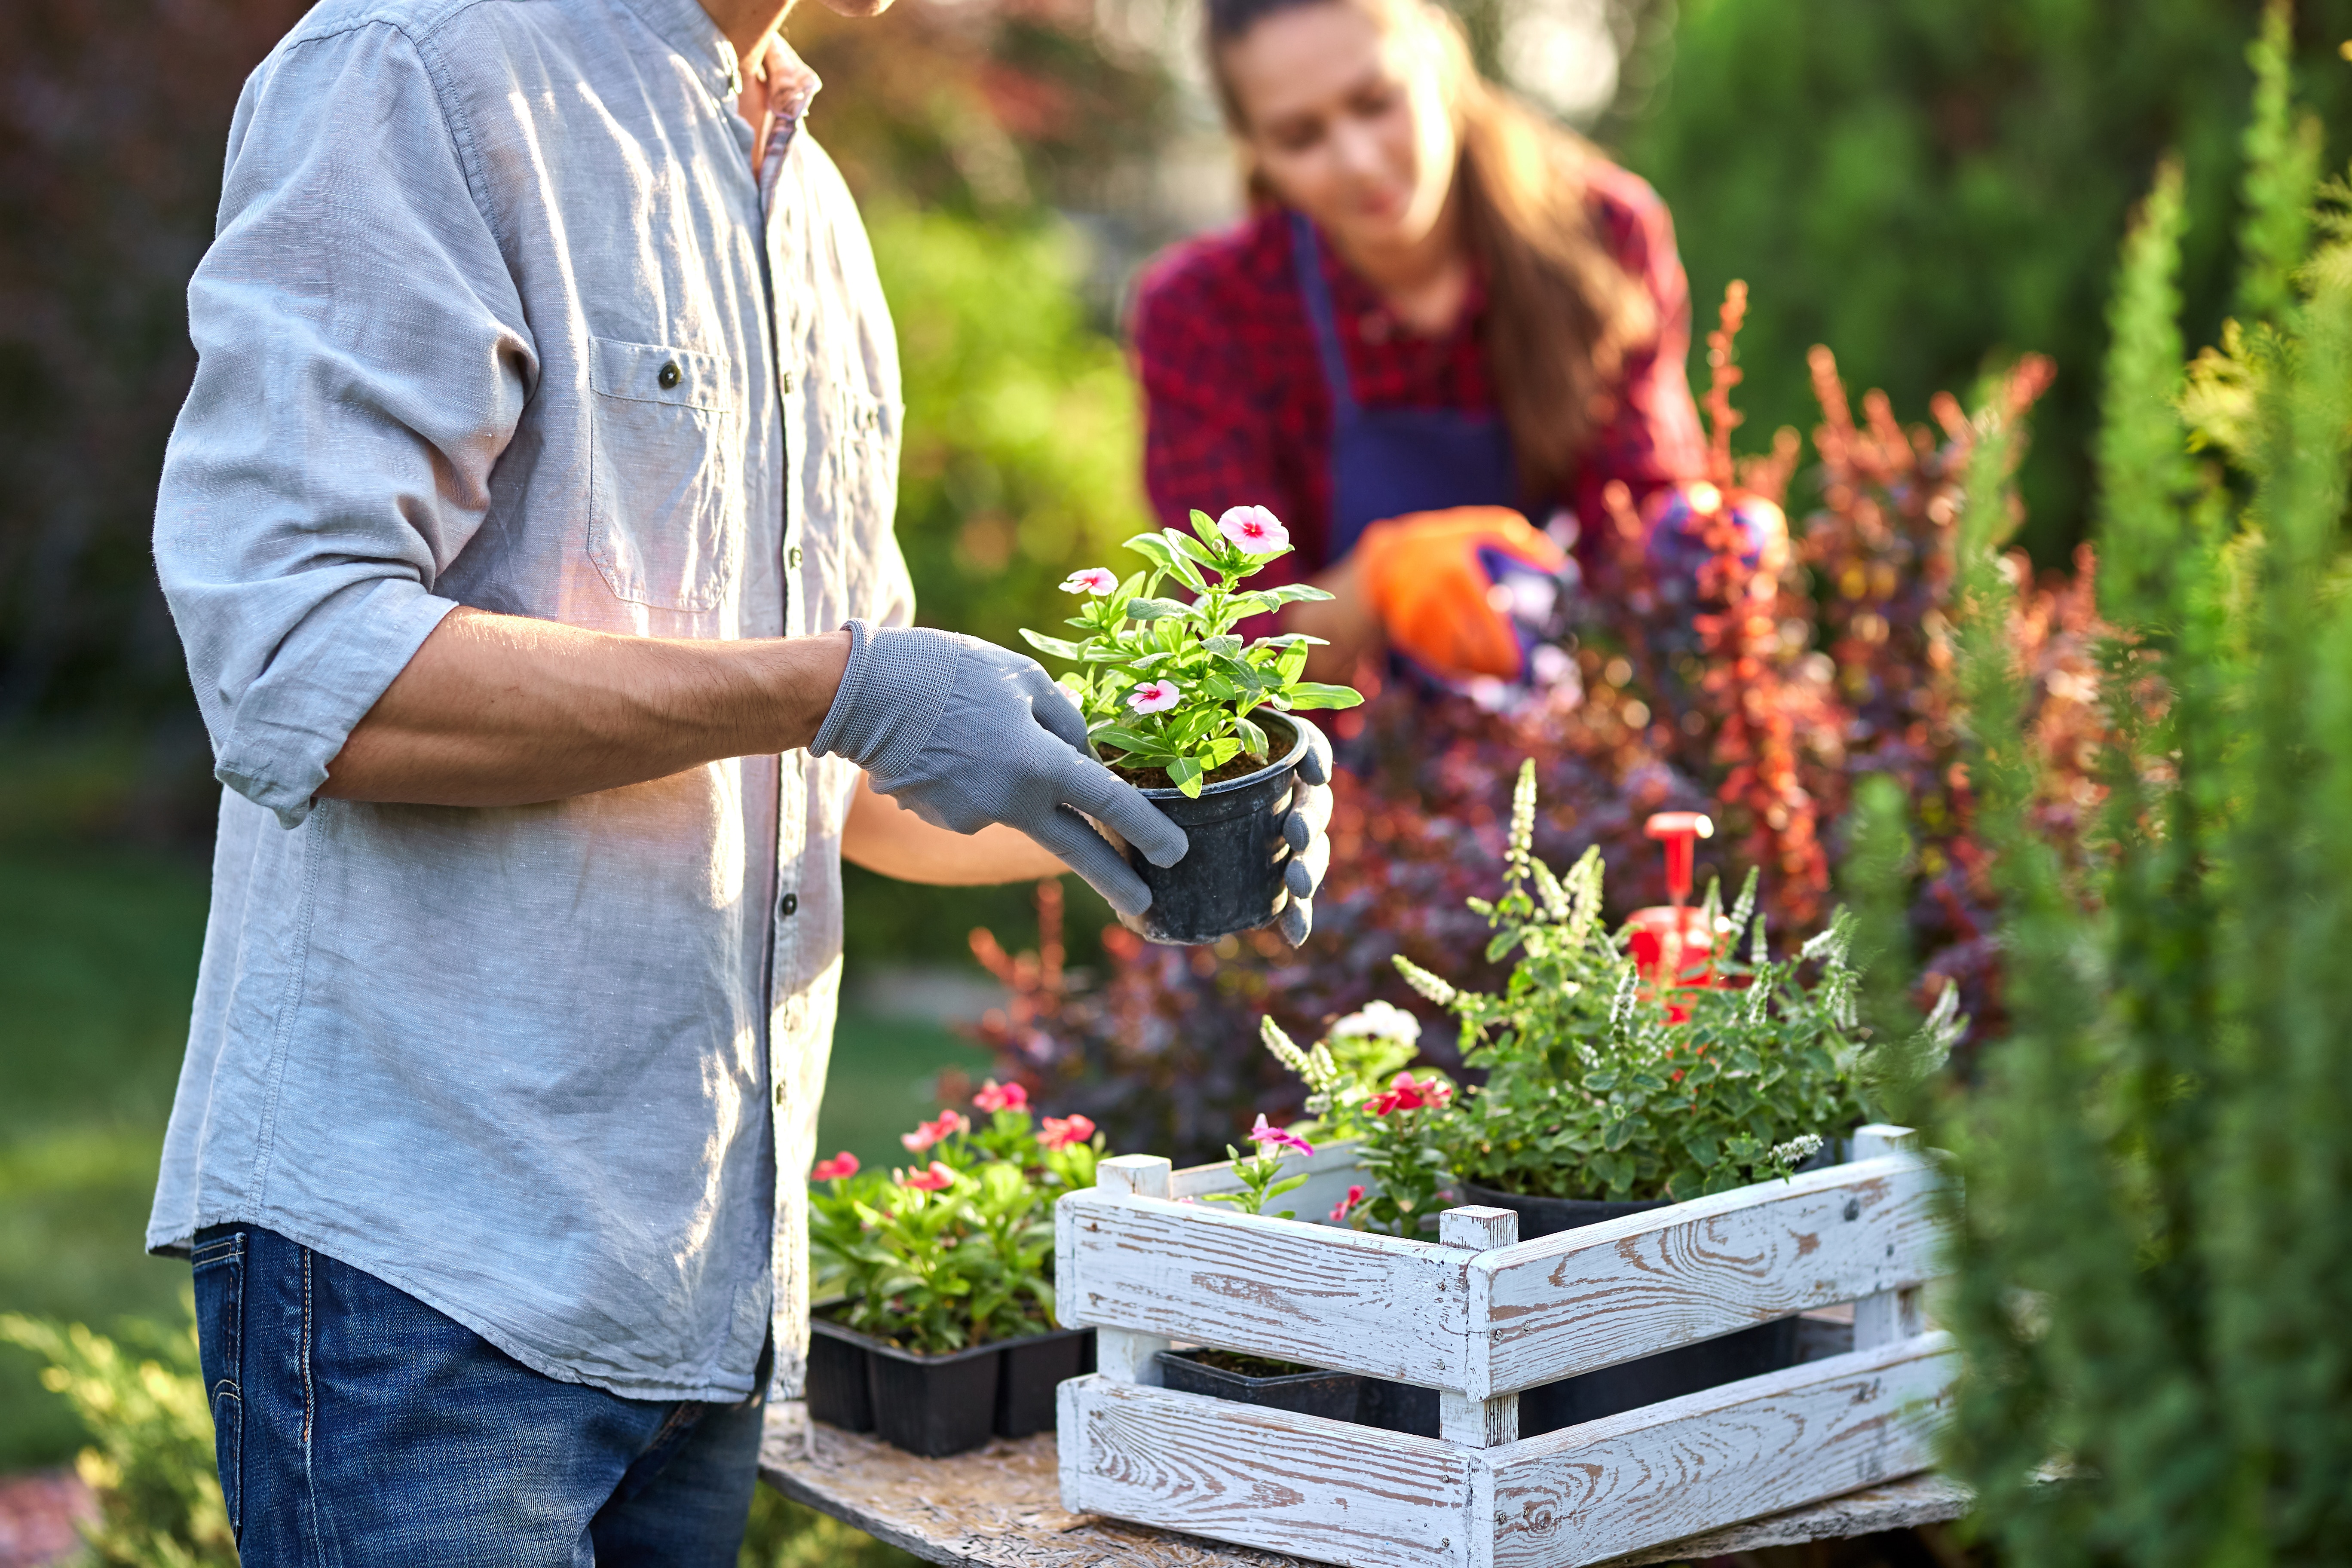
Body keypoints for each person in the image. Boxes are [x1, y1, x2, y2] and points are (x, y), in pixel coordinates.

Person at [143, 0, 1332, 1556]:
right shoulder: (416, 72)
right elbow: (301, 659)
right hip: (425, 1278)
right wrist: (837, 684)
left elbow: (832, 780)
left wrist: (1134, 810)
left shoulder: (806, 199)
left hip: (698, 1296)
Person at [1131, 0, 1748, 694]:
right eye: (1301, 137)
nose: (1359, 162)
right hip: (1338, 768)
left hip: (1565, 725)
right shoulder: (1205, 314)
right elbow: (1229, 648)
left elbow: (1632, 516)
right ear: (1258, 152)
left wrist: (1702, 542)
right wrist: (1377, 582)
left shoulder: (1601, 236)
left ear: (1441, 59)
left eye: (1375, 102)